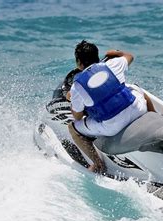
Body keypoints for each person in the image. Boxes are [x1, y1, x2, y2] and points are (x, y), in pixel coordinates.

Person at [66, 40, 155, 173]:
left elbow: (78, 117)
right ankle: (154, 116)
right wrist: (116, 53)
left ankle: (97, 164)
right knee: (135, 87)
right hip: (137, 110)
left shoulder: (76, 87)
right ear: (97, 56)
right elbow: (130, 56)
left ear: (78, 62)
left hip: (113, 126)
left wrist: (72, 98)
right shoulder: (112, 64)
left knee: (73, 128)